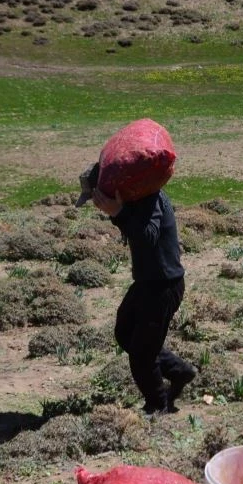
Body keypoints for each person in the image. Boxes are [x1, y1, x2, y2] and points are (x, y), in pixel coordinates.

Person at [77, 162, 197, 414]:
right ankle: (180, 371)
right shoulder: (137, 197)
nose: (97, 204)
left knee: (142, 357)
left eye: (98, 198)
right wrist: (118, 211)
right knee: (125, 332)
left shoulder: (148, 199)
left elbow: (148, 236)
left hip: (163, 286)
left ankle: (157, 405)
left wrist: (117, 212)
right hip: (148, 281)